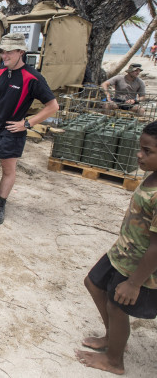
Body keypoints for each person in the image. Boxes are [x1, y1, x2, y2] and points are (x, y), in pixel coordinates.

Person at [75, 121, 157, 375]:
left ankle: (114, 361)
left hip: (139, 265)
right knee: (93, 283)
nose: (139, 155)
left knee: (118, 306)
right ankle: (113, 338)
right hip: (122, 252)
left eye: (147, 151)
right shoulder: (152, 175)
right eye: (140, 148)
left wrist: (134, 283)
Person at [0, 32, 59, 225]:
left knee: (8, 168)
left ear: (21, 52)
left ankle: (0, 204)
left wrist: (27, 123)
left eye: (8, 53)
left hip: (13, 131)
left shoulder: (33, 78)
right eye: (2, 52)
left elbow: (53, 106)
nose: (4, 56)